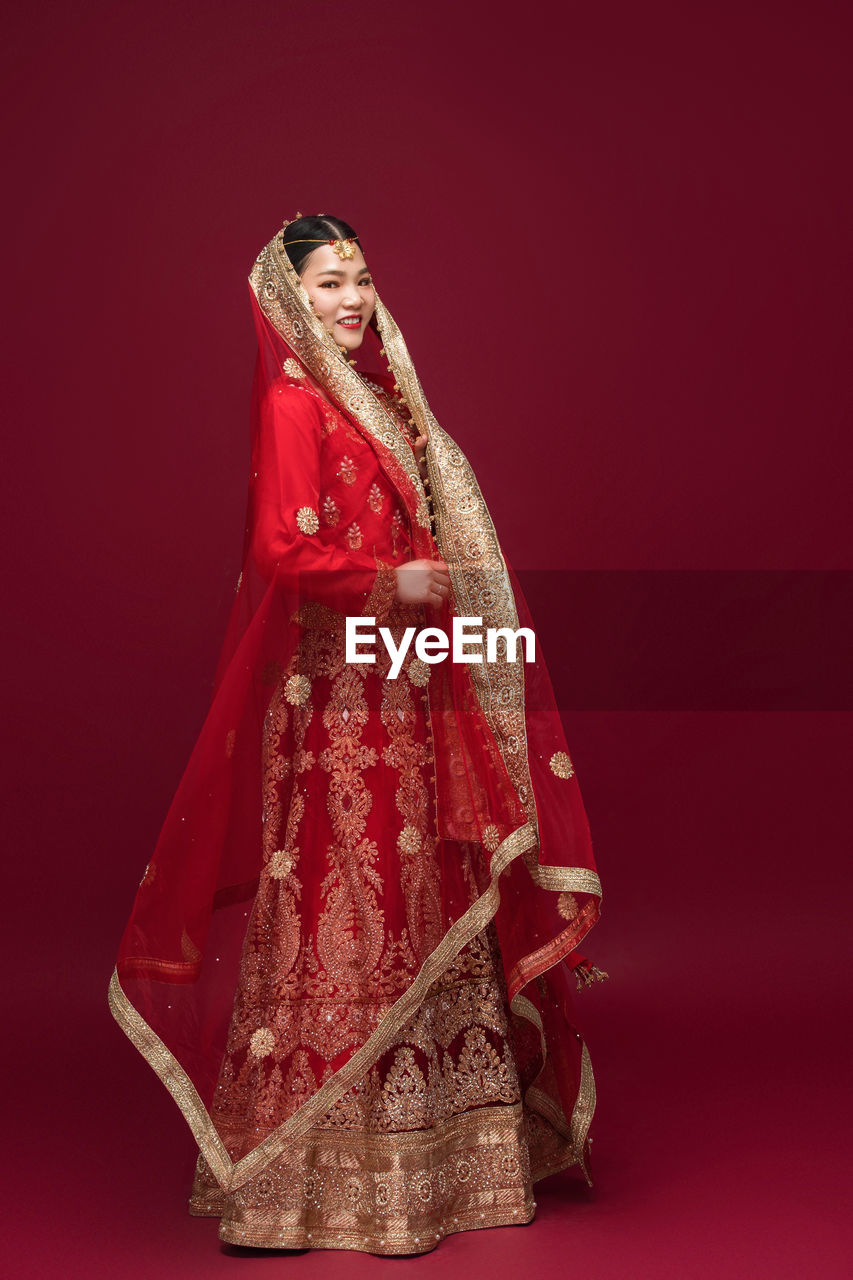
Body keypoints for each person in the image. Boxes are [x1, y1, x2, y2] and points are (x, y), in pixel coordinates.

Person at [108, 213, 607, 1256]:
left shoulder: (381, 400)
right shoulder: (298, 402)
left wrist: (433, 602)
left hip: (407, 678)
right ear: (287, 299)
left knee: (423, 880)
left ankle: (448, 1153)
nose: (351, 301)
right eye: (329, 283)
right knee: (353, 879)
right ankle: (307, 1172)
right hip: (336, 691)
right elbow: (281, 548)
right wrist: (391, 581)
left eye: (363, 280)